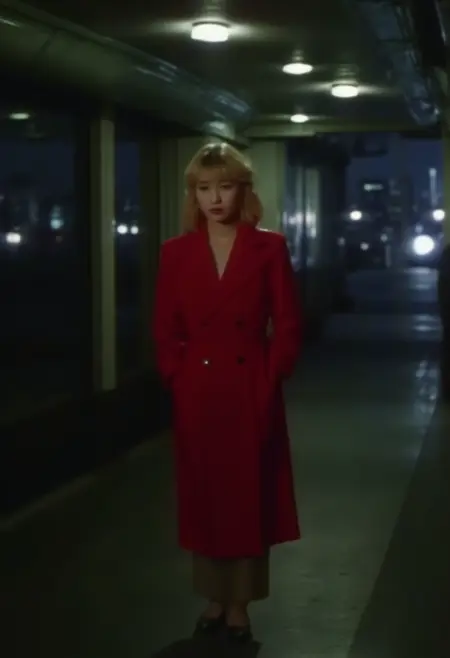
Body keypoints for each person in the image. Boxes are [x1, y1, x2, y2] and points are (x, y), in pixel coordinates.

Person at [152, 142, 301, 643]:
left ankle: (240, 603)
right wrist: (177, 374)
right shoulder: (176, 252)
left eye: (226, 186)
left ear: (243, 190)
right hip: (198, 387)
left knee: (248, 495)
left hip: (249, 382)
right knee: (206, 495)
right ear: (193, 194)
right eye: (204, 188)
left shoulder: (269, 247)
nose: (215, 198)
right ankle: (213, 596)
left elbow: (287, 320)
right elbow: (165, 326)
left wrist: (272, 374)